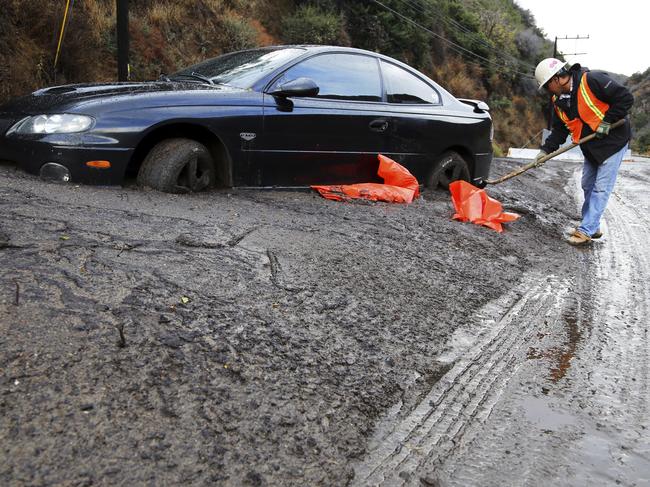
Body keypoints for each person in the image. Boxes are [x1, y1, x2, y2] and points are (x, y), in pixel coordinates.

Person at [533, 58, 634, 246]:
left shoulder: (592, 80)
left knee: (601, 188)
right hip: (591, 147)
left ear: (556, 79)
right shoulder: (557, 101)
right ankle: (592, 225)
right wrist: (545, 151)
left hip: (613, 141)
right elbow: (560, 130)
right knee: (587, 184)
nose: (547, 91)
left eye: (547, 86)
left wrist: (607, 121)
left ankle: (586, 230)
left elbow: (626, 98)